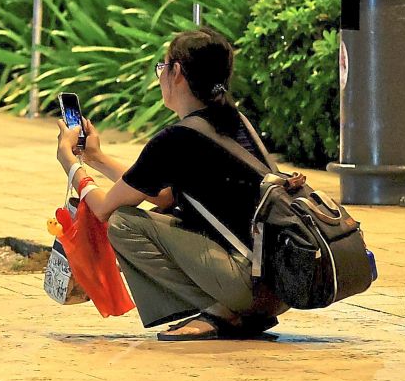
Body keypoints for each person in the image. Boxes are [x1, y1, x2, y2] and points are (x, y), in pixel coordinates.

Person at [55, 26, 285, 341]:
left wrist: (69, 161)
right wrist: (96, 157)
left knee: (124, 223)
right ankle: (230, 308)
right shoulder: (235, 122)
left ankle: (220, 311)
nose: (161, 75)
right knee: (162, 215)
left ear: (177, 72)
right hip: (277, 284)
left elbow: (105, 209)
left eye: (162, 67)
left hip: (247, 285)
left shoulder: (178, 138)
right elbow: (161, 195)